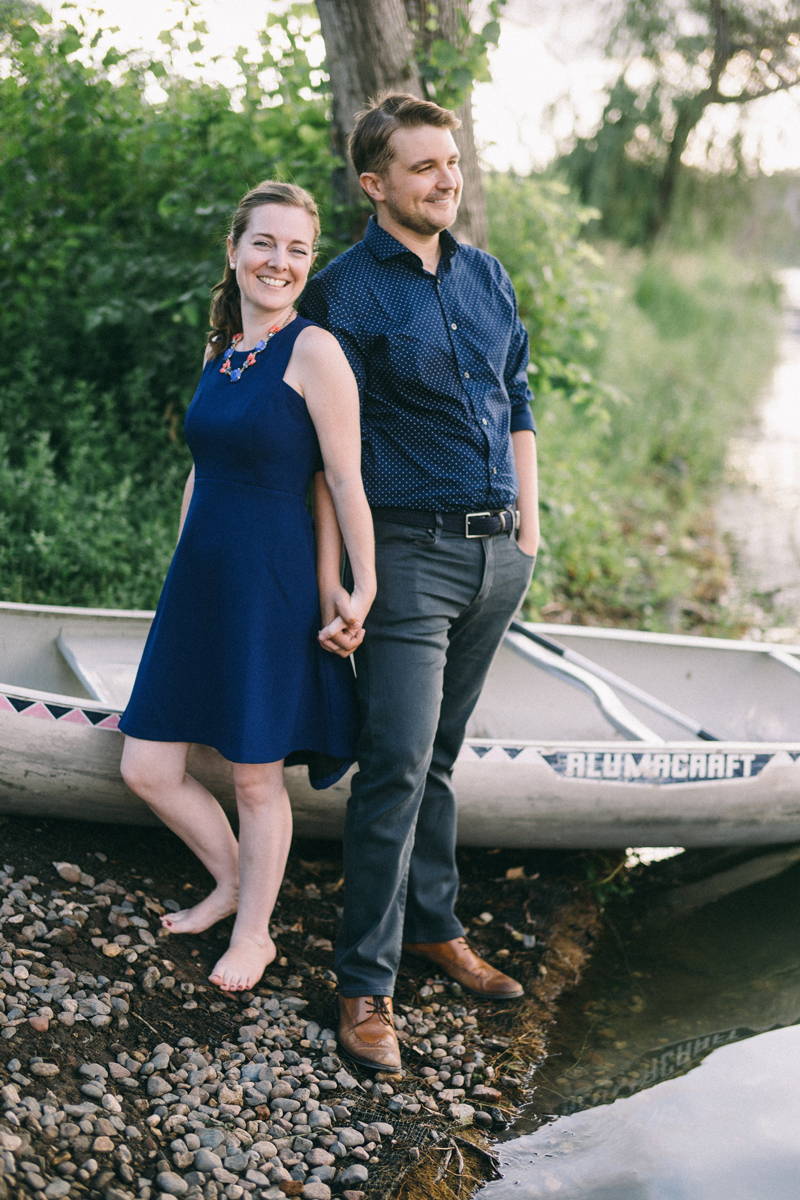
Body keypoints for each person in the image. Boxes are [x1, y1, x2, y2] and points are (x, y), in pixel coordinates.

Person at [299, 94, 540, 1072]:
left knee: (438, 755)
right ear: (373, 184)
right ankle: (364, 989)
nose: (445, 179)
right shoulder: (341, 294)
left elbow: (517, 391)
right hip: (405, 554)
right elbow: (325, 451)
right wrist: (341, 578)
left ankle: (435, 928)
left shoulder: (484, 276)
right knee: (394, 764)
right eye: (421, 168)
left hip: (496, 558)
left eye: (450, 163)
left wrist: (530, 520)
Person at [119, 181, 376, 994]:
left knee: (256, 777)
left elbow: (343, 480)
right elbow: (202, 468)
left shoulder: (315, 352)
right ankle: (230, 882)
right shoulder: (224, 349)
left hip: (271, 582)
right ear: (234, 251)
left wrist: (357, 588)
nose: (280, 261)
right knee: (147, 765)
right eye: (265, 243)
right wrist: (181, 558)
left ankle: (256, 934)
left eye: (298, 249)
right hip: (201, 577)